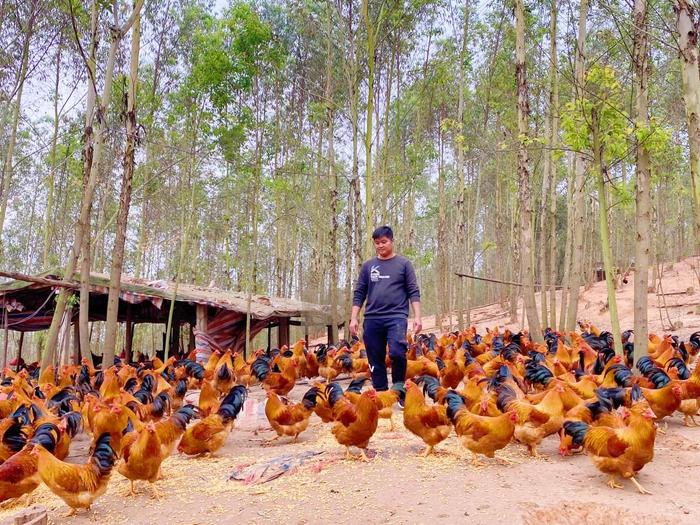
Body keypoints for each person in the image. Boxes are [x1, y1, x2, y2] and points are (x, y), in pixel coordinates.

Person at [350, 226, 422, 393]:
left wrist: (417, 317)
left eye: (384, 242)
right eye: (377, 243)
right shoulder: (368, 266)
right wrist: (354, 317)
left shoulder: (404, 264)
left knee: (397, 352)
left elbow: (413, 290)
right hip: (372, 318)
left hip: (396, 316)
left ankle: (398, 390)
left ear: (392, 241)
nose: (380, 246)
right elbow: (360, 293)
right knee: (375, 357)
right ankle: (381, 392)